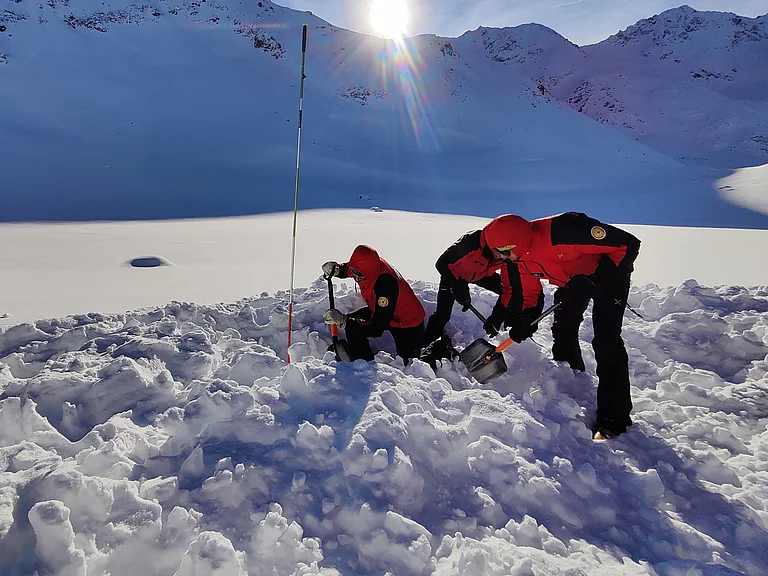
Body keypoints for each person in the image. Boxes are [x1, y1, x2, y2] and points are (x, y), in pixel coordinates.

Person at [481, 212, 641, 439]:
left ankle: (615, 418)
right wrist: (526, 320)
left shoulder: (565, 231)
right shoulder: (518, 259)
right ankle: (571, 377)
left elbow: (628, 244)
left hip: (609, 277)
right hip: (572, 283)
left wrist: (601, 276)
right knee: (563, 328)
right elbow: (530, 294)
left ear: (516, 243)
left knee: (606, 340)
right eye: (497, 253)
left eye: (503, 252)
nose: (501, 258)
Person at [422, 219, 544, 349]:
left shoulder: (506, 255)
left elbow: (509, 289)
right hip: (453, 276)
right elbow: (442, 263)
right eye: (502, 252)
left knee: (512, 294)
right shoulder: (472, 242)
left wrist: (496, 318)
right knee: (442, 314)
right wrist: (459, 288)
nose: (503, 257)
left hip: (482, 274)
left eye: (506, 253)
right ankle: (426, 343)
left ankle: (511, 327)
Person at [322, 245, 425, 364]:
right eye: (354, 272)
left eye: (359, 275)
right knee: (352, 324)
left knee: (409, 365)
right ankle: (362, 362)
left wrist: (343, 321)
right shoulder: (368, 265)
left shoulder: (386, 286)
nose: (355, 277)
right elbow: (352, 269)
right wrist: (338, 270)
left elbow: (377, 328)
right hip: (380, 310)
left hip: (408, 322)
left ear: (369, 273)